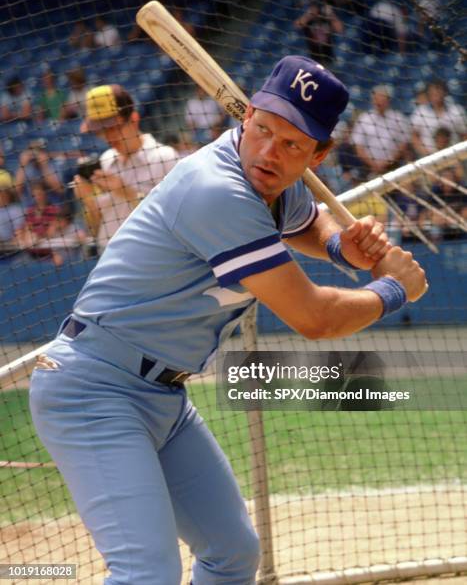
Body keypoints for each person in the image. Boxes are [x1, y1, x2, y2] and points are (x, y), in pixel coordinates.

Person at [30, 56, 427, 585]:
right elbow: (313, 317)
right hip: (94, 388)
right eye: (264, 130)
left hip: (163, 396)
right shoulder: (216, 189)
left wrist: (339, 246)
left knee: (232, 554)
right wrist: (394, 289)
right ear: (247, 117)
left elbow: (306, 219)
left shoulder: (275, 183)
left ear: (319, 154)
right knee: (145, 573)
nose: (270, 152)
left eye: (292, 145)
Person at [73, 85, 179, 253]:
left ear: (134, 119)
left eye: (113, 127)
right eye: (100, 130)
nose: (107, 136)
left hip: (153, 258)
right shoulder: (105, 160)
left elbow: (177, 217)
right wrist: (88, 201)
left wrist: (125, 191)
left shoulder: (165, 157)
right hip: (108, 259)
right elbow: (95, 230)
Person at [351, 85, 411, 178]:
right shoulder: (364, 119)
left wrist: (387, 162)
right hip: (368, 168)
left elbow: (403, 144)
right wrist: (374, 164)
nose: (379, 101)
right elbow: (359, 148)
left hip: (393, 166)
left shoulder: (397, 118)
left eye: (382, 98)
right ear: (372, 100)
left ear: (388, 100)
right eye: (376, 98)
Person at [411, 79, 467, 157]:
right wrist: (425, 152)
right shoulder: (420, 112)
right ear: (429, 94)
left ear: (445, 92)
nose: (436, 94)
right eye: (433, 92)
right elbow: (414, 136)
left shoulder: (456, 111)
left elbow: (465, 135)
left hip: (453, 156)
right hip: (427, 157)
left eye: (438, 91)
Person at [15, 139, 64, 206]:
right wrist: (22, 166)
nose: (35, 154)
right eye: (32, 151)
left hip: (52, 209)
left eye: (38, 151)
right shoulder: (25, 168)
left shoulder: (53, 166)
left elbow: (60, 190)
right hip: (30, 211)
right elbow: (16, 192)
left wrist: (44, 166)